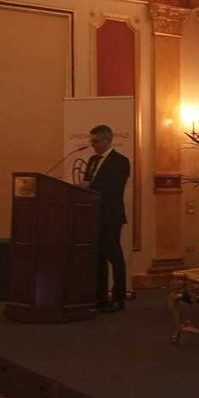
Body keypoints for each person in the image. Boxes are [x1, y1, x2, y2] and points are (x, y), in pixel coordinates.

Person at [83, 124, 130, 313]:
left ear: (107, 140)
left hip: (110, 215)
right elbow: (87, 182)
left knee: (114, 256)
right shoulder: (93, 160)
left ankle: (118, 298)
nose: (92, 144)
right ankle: (100, 297)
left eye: (95, 141)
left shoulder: (121, 161)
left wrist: (89, 188)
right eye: (91, 141)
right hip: (94, 216)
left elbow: (113, 188)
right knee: (98, 257)